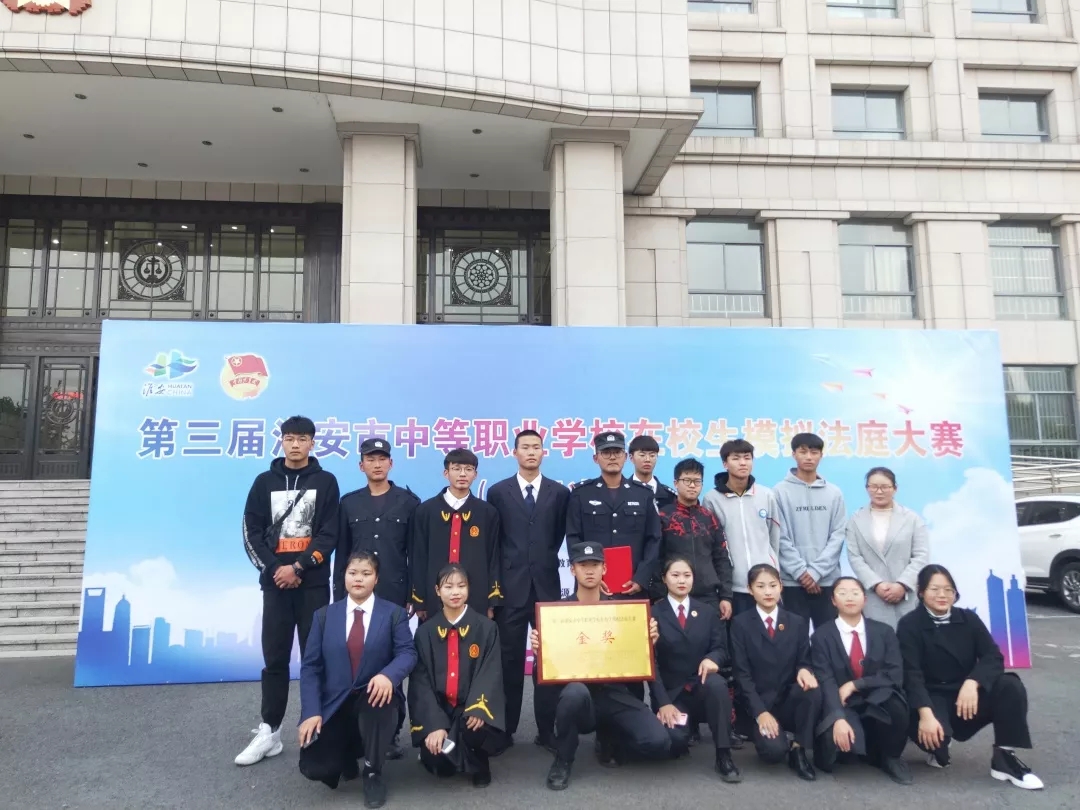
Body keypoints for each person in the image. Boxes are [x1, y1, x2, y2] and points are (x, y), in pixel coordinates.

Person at [237, 415, 340, 767]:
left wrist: (299, 567)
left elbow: (329, 533)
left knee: (316, 658)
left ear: (312, 443)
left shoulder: (326, 482)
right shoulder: (263, 482)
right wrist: (276, 569)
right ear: (281, 441)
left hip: (312, 586)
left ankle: (319, 727)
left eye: (302, 439)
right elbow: (250, 532)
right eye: (289, 438)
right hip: (276, 586)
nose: (295, 444)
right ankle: (270, 731)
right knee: (275, 659)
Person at [532, 542, 667, 790]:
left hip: (613, 691)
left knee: (658, 742)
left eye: (595, 565)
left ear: (604, 569)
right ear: (572, 570)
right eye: (583, 565)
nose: (589, 570)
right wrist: (541, 652)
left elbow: (638, 656)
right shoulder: (557, 614)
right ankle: (563, 759)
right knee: (573, 693)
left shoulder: (622, 611)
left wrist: (647, 641)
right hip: (580, 695)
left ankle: (611, 735)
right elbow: (548, 670)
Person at [897, 565, 1043, 790]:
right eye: (935, 589)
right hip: (931, 697)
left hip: (965, 696)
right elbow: (911, 674)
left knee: (1009, 685)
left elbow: (993, 656)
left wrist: (973, 682)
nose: (942, 595)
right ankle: (937, 745)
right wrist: (925, 715)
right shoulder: (909, 625)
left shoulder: (968, 619)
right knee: (938, 747)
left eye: (948, 589)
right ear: (921, 592)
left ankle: (1004, 758)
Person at [297, 552, 417, 808]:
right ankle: (347, 755)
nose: (358, 579)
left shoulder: (394, 614)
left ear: (377, 579)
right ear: (344, 577)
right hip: (335, 703)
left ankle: (373, 772)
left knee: (379, 702)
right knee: (316, 768)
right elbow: (310, 667)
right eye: (353, 573)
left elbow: (407, 653)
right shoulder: (324, 616)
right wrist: (311, 712)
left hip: (374, 700)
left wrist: (388, 675)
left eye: (366, 573)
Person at [334, 436, 421, 760]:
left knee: (392, 662)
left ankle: (391, 731)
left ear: (391, 463)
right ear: (361, 466)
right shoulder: (349, 503)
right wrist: (338, 597)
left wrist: (415, 595)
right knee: (357, 659)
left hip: (394, 595)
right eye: (370, 459)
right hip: (356, 597)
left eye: (382, 458)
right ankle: (357, 730)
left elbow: (416, 553)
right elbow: (342, 555)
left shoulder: (408, 502)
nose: (377, 464)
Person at [486, 429, 570, 746]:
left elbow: (558, 535)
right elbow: (494, 542)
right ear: (515, 452)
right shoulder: (498, 492)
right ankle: (505, 730)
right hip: (511, 589)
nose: (531, 452)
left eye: (536, 447)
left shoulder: (559, 493)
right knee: (508, 662)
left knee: (548, 661)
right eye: (525, 447)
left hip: (547, 587)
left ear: (543, 452)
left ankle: (546, 731)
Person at [408, 564, 509, 788]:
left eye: (461, 586)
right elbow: (420, 683)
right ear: (437, 590)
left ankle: (479, 763)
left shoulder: (486, 628)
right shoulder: (424, 633)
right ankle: (456, 753)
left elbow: (490, 673)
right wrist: (434, 724)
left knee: (475, 727)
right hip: (441, 711)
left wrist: (477, 708)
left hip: (469, 710)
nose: (455, 592)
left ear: (469, 589)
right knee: (439, 765)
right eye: (448, 587)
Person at [810, 577, 912, 785]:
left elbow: (894, 674)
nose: (850, 598)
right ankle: (859, 743)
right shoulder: (821, 636)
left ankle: (891, 757)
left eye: (855, 593)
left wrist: (857, 684)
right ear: (833, 600)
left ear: (865, 599)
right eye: (842, 593)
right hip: (841, 703)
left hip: (876, 700)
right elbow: (826, 680)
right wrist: (838, 718)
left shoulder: (884, 632)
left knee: (895, 703)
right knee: (832, 757)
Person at [651, 555, 741, 782]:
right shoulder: (653, 613)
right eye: (675, 575)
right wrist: (663, 703)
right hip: (672, 694)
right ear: (664, 579)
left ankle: (723, 755)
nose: (682, 580)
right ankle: (685, 729)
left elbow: (721, 648)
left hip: (701, 686)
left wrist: (712, 659)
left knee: (717, 684)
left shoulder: (707, 612)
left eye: (687, 575)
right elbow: (651, 663)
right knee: (673, 742)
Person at [729, 563, 822, 781]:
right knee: (773, 753)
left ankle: (799, 748)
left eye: (772, 585)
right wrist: (760, 712)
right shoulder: (740, 624)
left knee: (812, 690)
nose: (768, 592)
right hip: (758, 703)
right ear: (750, 590)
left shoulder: (797, 622)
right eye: (760, 586)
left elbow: (804, 660)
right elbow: (742, 675)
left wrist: (805, 670)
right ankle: (776, 738)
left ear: (781, 586)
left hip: (787, 699)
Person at [565, 431, 661, 598]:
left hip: (633, 586)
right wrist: (588, 577)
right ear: (596, 458)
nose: (612, 457)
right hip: (592, 588)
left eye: (617, 452)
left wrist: (641, 577)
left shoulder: (643, 494)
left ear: (625, 457)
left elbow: (654, 538)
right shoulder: (581, 494)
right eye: (606, 452)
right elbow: (574, 537)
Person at [409, 448, 502, 620]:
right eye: (456, 469)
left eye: (468, 469)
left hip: (476, 597)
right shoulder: (425, 511)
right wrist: (420, 600)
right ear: (446, 473)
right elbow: (418, 557)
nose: (462, 474)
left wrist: (492, 600)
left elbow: (494, 558)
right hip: (434, 598)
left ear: (475, 474)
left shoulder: (487, 513)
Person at [774, 432, 846, 629]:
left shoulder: (834, 493)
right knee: (794, 638)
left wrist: (816, 572)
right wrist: (801, 572)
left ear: (821, 455)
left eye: (814, 452)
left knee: (830, 637)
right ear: (793, 454)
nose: (808, 457)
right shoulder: (779, 492)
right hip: (792, 582)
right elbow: (779, 536)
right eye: (803, 452)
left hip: (827, 580)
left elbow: (838, 535)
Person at [702, 439, 781, 617]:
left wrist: (771, 567)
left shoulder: (766, 495)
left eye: (747, 458)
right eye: (736, 458)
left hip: (765, 584)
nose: (743, 463)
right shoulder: (712, 499)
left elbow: (774, 537)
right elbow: (712, 544)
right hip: (733, 588)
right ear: (725, 464)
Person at [845, 467, 930, 629]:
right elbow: (854, 557)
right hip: (874, 596)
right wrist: (876, 584)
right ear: (867, 488)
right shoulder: (856, 519)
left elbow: (921, 555)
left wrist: (902, 584)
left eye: (885, 487)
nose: (879, 491)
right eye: (873, 487)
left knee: (910, 637)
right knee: (878, 639)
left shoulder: (912, 519)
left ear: (895, 488)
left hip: (907, 596)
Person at [656, 458, 733, 619]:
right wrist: (658, 593)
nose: (692, 485)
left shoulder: (709, 517)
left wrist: (726, 596)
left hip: (708, 596)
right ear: (676, 483)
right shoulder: (663, 516)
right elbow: (655, 557)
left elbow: (721, 558)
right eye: (687, 480)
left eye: (697, 481)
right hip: (672, 595)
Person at [629, 434, 677, 509]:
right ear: (631, 458)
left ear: (657, 457)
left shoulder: (670, 496)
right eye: (642, 455)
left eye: (652, 455)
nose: (647, 460)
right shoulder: (621, 492)